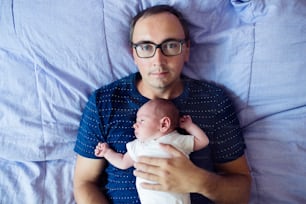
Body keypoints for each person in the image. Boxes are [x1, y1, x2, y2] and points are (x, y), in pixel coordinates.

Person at [73, 4, 251, 204]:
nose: (158, 60)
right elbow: (84, 182)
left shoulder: (213, 101)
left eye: (170, 45)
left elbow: (242, 191)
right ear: (134, 54)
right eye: (146, 47)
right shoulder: (103, 103)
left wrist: (201, 181)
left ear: (186, 50)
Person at [94, 98, 209, 204]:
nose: (135, 125)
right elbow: (123, 162)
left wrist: (189, 126)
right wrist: (107, 153)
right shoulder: (139, 146)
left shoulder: (177, 140)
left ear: (164, 124)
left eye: (141, 120)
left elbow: (203, 141)